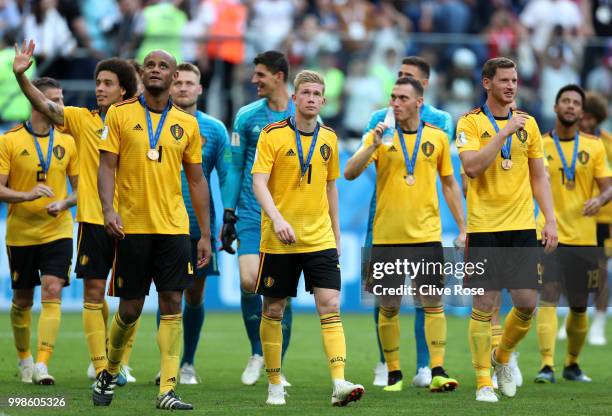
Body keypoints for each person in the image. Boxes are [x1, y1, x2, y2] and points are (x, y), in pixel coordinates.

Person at [12, 40, 141, 385]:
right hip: (93, 221)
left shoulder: (140, 123)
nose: (99, 88)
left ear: (124, 90)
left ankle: (118, 361)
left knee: (132, 299)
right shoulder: (83, 120)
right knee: (93, 294)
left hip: (135, 221)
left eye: (107, 83)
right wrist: (22, 78)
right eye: (97, 82)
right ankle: (102, 368)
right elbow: (43, 104)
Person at [93, 50, 212, 410]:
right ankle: (110, 371)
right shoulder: (119, 113)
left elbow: (196, 180)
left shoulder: (187, 124)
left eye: (165, 66)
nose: (157, 70)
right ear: (142, 73)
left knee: (173, 301)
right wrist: (109, 209)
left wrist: (204, 233)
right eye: (151, 65)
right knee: (130, 308)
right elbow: (107, 167)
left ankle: (168, 390)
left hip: (174, 227)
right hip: (132, 226)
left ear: (175, 76)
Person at [344, 76, 465, 393]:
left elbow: (450, 184)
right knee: (389, 305)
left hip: (426, 235)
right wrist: (371, 143)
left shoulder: (437, 138)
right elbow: (350, 172)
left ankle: (437, 369)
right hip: (387, 236)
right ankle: (394, 374)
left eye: (402, 98)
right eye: (392, 97)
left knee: (433, 302)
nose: (395, 103)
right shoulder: (379, 137)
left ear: (418, 103)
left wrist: (464, 227)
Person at [252, 69, 364, 406]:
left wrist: (337, 232)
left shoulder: (329, 138)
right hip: (279, 239)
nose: (312, 99)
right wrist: (277, 219)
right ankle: (274, 383)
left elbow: (331, 187)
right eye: (306, 93)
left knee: (330, 305)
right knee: (273, 308)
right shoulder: (271, 135)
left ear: (324, 101)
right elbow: (259, 183)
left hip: (320, 239)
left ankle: (339, 382)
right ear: (294, 98)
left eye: (317, 94)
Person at [457, 57, 558, 402]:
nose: (511, 86)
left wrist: (550, 220)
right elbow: (471, 168)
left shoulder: (528, 124)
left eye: (514, 80)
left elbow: (538, 176)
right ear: (487, 83)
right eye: (504, 80)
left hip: (521, 227)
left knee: (527, 302)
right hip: (484, 227)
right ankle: (483, 381)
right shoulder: (469, 123)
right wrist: (502, 132)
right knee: (484, 302)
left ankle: (502, 358)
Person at [220, 50, 294, 386]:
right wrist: (228, 211)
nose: (254, 80)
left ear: (278, 76)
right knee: (251, 281)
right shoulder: (247, 117)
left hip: (290, 215)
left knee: (282, 291)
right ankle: (257, 351)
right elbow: (236, 167)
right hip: (252, 213)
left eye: (260, 74)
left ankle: (276, 365)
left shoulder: (304, 114)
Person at [154, 62, 228, 385]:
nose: (183, 88)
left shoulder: (214, 130)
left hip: (198, 227)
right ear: (170, 87)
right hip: (162, 222)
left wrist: (226, 219)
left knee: (194, 296)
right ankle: (165, 365)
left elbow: (225, 179)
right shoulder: (154, 123)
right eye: (178, 82)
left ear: (200, 89)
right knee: (167, 295)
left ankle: (187, 363)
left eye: (189, 83)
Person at [1, 77, 78, 385]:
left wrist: (63, 203)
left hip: (57, 230)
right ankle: (25, 360)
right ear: (37, 102)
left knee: (52, 289)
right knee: (22, 299)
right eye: (55, 100)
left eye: (61, 99)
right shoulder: (9, 140)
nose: (61, 106)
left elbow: (81, 189)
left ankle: (43, 364)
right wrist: (26, 195)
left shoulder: (68, 140)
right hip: (21, 233)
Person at [534, 85, 612, 384]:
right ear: (555, 108)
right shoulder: (538, 145)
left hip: (583, 236)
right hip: (549, 232)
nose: (569, 106)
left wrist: (601, 199)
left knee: (579, 304)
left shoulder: (594, 146)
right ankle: (546, 365)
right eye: (564, 101)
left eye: (575, 103)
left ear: (582, 112)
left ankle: (572, 364)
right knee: (550, 294)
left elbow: (608, 186)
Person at [581, 91, 612, 346]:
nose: (585, 121)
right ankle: (575, 317)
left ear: (598, 118)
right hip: (576, 217)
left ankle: (599, 324)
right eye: (583, 116)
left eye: (590, 117)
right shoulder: (572, 142)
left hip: (603, 218)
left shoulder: (608, 144)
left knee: (601, 269)